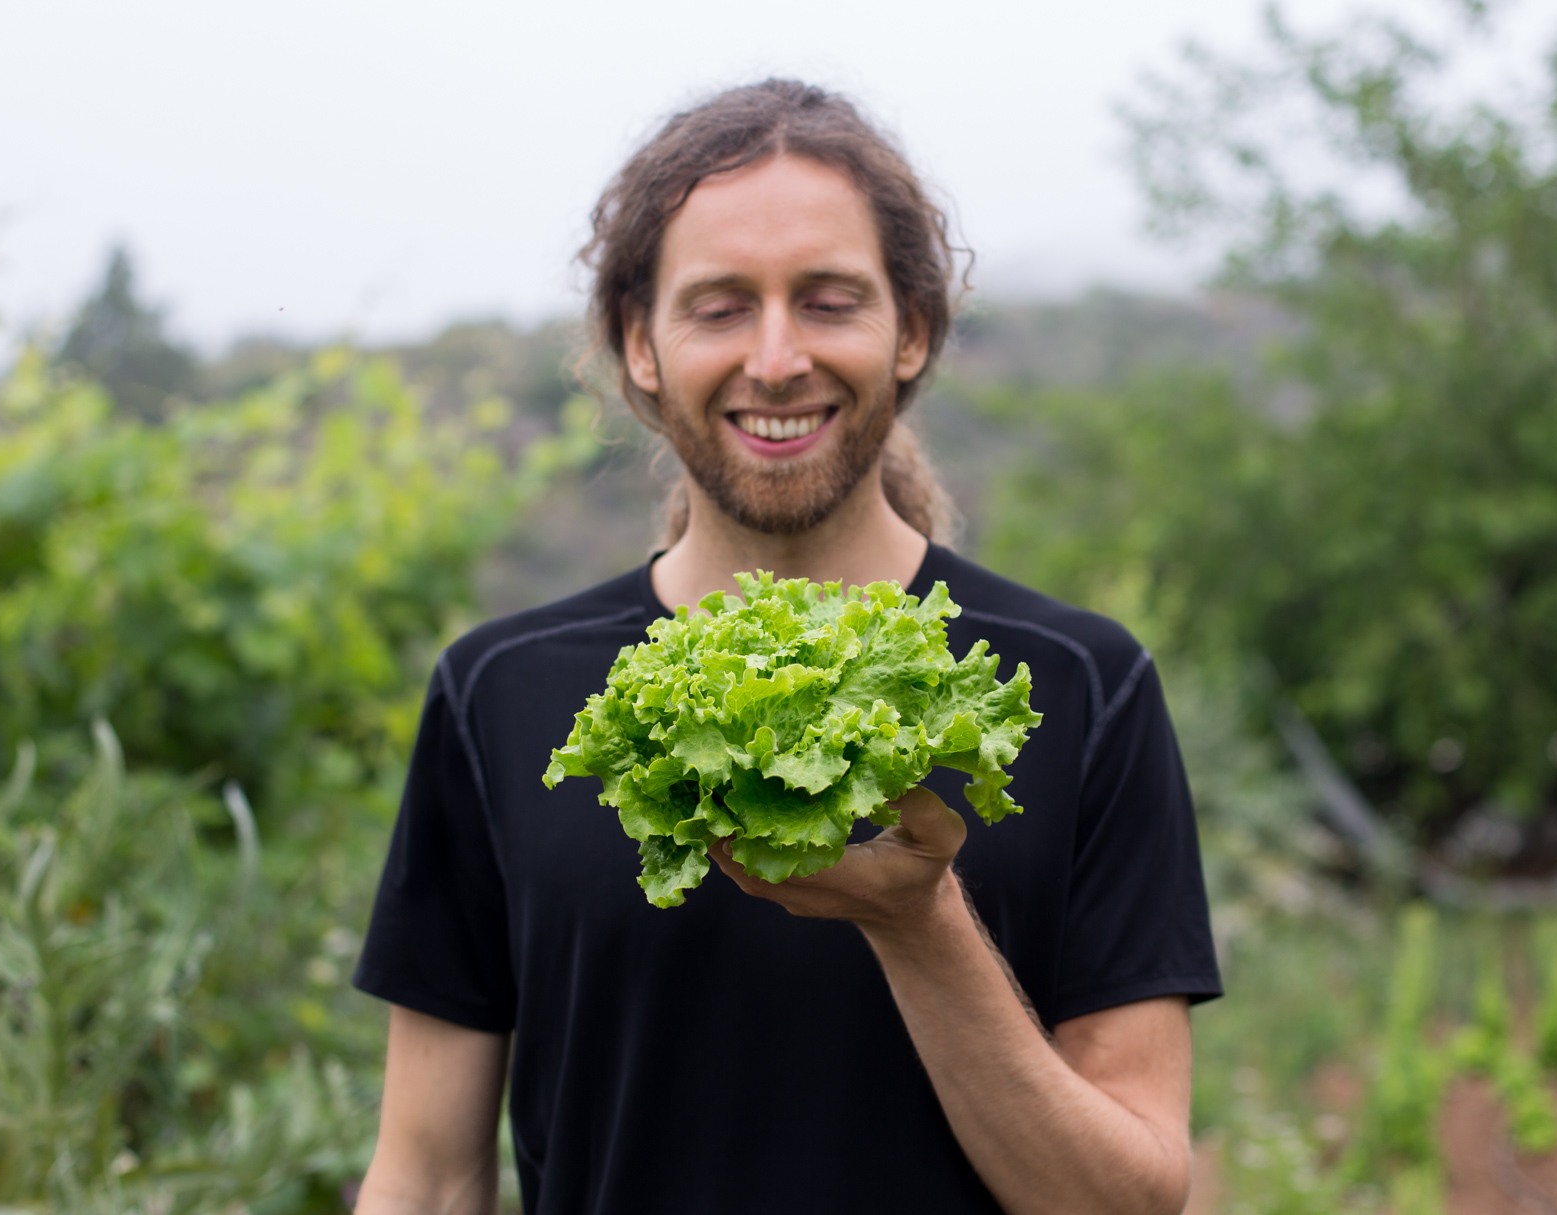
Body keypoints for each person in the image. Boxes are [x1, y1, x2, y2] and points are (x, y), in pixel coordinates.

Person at [351, 79, 1220, 1215]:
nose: (774, 359)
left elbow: (1131, 1204)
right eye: (718, 307)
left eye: (827, 301)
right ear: (640, 346)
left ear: (910, 331)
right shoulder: (502, 691)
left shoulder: (1079, 685)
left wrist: (917, 925)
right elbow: (426, 1177)